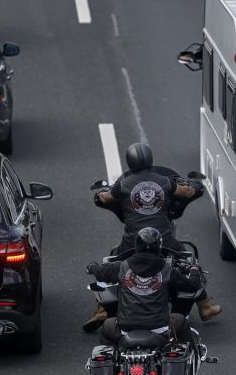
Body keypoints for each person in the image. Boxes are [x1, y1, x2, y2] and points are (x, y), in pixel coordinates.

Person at [85, 143, 221, 330]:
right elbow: (187, 191)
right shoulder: (163, 181)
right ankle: (205, 305)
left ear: (129, 161)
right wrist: (193, 184)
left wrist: (101, 193)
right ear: (150, 158)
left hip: (132, 241)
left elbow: (105, 199)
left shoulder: (124, 183)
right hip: (165, 238)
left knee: (112, 261)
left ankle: (102, 309)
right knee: (188, 262)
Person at [87, 228, 201, 345]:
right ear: (158, 246)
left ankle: (111, 360)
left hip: (126, 329)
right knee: (181, 320)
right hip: (160, 328)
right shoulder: (167, 270)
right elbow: (192, 286)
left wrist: (92, 267)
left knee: (107, 325)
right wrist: (194, 270)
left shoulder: (122, 267)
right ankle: (187, 358)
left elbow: (101, 274)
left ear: (137, 245)